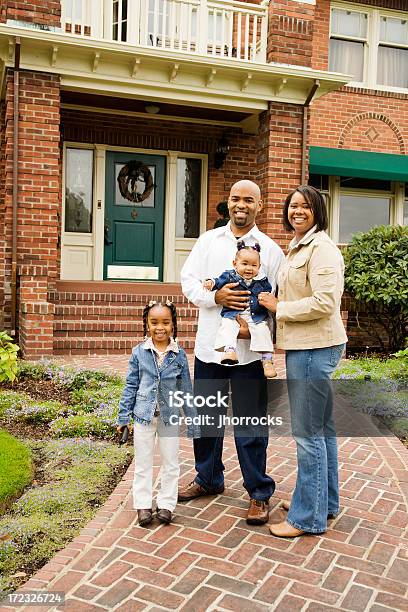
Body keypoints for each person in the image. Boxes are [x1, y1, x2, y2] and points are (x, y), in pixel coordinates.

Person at [179, 179, 285, 525]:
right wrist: (216, 298)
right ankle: (208, 478)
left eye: (249, 200)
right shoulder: (208, 241)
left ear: (260, 206)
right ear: (228, 203)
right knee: (207, 418)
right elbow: (189, 281)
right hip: (212, 347)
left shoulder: (271, 251)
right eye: (236, 199)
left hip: (251, 355)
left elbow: (280, 297)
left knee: (250, 423)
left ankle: (258, 493)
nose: (242, 205)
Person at [258, 185, 347, 537]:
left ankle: (307, 518)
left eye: (306, 206)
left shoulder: (321, 248)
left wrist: (281, 309)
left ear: (317, 211)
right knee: (321, 430)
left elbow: (326, 301)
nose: (298, 211)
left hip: (315, 349)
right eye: (293, 206)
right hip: (305, 347)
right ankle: (324, 504)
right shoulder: (299, 246)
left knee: (307, 433)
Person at [116, 300, 199, 527]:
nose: (159, 327)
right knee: (143, 463)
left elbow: (186, 389)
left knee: (171, 462)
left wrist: (192, 419)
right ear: (147, 324)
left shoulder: (178, 354)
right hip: (143, 416)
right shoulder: (139, 352)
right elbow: (131, 385)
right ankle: (142, 504)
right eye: (154, 322)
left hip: (169, 417)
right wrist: (124, 417)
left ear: (173, 325)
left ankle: (166, 504)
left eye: (165, 322)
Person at [203, 240, 277, 378]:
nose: (249, 268)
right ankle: (229, 350)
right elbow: (218, 281)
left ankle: (267, 360)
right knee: (227, 326)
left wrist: (265, 297)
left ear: (259, 266)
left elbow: (269, 291)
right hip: (233, 314)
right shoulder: (230, 276)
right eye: (244, 264)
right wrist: (211, 283)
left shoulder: (262, 281)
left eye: (254, 265)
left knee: (263, 330)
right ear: (234, 264)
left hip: (255, 315)